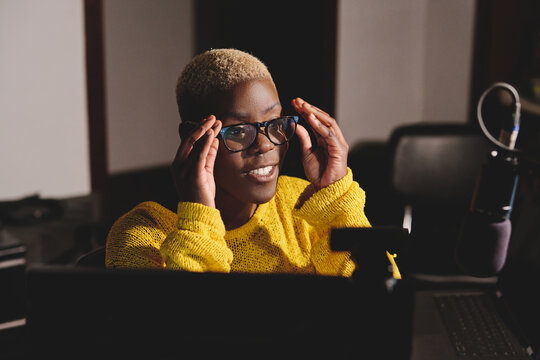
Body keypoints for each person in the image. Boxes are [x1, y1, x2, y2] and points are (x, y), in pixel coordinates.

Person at [105, 48, 371, 276]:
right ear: (192, 137)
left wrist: (336, 202)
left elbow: (383, 311)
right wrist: (198, 220)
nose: (266, 144)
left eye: (274, 123)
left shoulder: (303, 205)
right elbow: (182, 329)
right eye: (239, 131)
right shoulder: (142, 233)